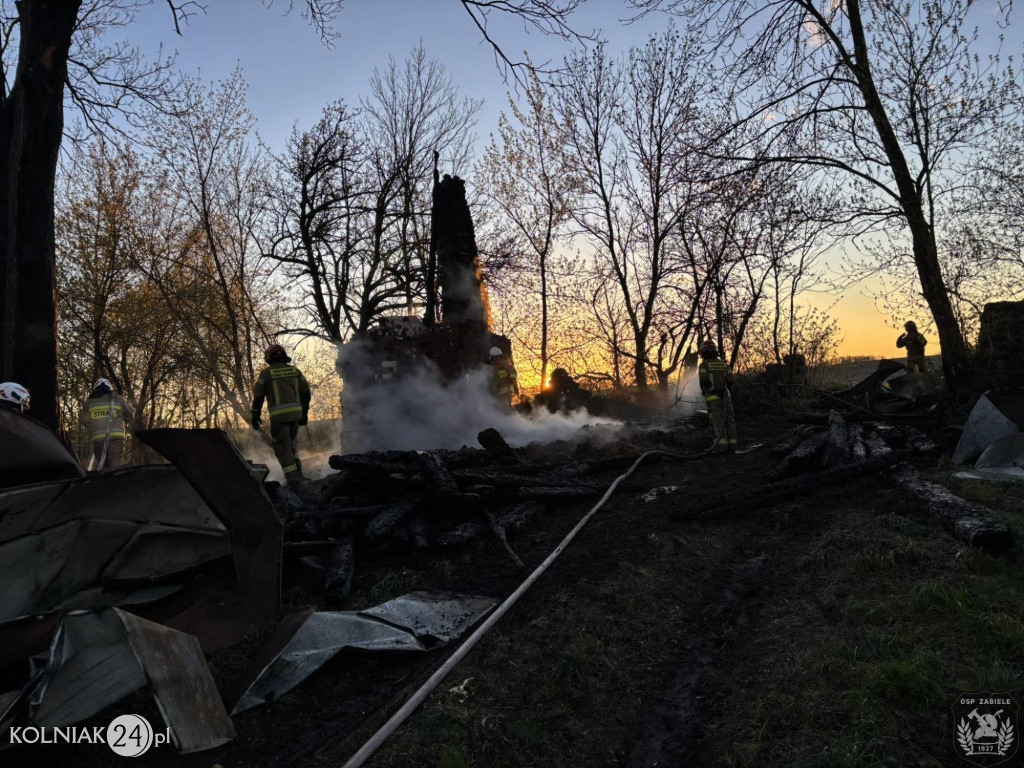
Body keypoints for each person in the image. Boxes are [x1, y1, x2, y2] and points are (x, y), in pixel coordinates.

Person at [252, 343, 311, 485]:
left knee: (282, 450)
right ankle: (300, 476)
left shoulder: (266, 373)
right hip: (295, 416)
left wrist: (255, 415)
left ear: (269, 357)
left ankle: (294, 481)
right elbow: (305, 393)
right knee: (291, 446)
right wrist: (304, 413)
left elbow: (258, 396)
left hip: (279, 418)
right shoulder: (295, 371)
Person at [81, 378, 135, 469]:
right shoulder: (118, 399)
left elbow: (83, 420)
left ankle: (106, 483)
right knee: (116, 468)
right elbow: (130, 414)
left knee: (104, 469)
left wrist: (94, 425)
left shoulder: (89, 403)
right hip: (116, 439)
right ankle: (116, 483)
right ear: (109, 388)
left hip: (98, 441)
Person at [698, 341, 738, 453]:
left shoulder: (703, 365)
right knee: (730, 421)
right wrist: (724, 391)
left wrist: (715, 392)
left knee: (717, 422)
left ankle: (721, 447)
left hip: (713, 400)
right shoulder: (724, 364)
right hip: (726, 399)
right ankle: (733, 446)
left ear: (703, 352)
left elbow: (705, 381)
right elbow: (731, 381)